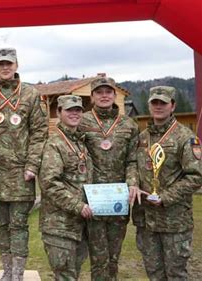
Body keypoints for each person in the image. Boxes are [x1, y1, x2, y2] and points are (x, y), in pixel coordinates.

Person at [0, 48, 48, 281]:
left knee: (19, 226)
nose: (5, 67)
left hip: (22, 173)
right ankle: (6, 272)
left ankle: (17, 274)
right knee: (1, 225)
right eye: (0, 64)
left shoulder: (30, 94)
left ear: (17, 65)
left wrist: (32, 165)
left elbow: (40, 132)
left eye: (9, 63)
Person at [132, 86, 202, 280]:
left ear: (173, 106)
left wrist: (166, 197)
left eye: (163, 103)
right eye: (154, 102)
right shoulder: (142, 138)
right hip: (146, 221)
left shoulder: (186, 138)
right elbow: (134, 167)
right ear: (149, 105)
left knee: (176, 274)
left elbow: (197, 176)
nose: (158, 106)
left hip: (174, 220)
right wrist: (133, 184)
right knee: (154, 274)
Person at [79, 76, 139, 280]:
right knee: (98, 257)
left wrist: (132, 183)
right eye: (99, 92)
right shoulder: (82, 121)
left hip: (118, 199)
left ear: (114, 95)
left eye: (108, 92)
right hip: (93, 199)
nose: (104, 96)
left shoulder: (129, 125)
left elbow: (132, 161)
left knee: (113, 256)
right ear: (92, 96)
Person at [39, 95, 92, 281]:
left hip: (78, 226)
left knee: (72, 275)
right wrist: (78, 206)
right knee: (65, 276)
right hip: (59, 226)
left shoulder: (81, 142)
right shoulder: (55, 143)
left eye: (78, 110)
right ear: (59, 112)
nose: (74, 113)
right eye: (69, 110)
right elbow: (49, 183)